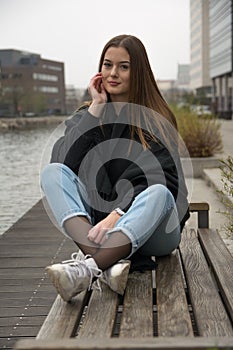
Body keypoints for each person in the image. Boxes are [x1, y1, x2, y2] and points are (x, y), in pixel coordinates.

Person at [40, 34, 190, 302]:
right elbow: (64, 163)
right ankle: (105, 266)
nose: (113, 73)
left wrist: (120, 212)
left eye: (124, 66)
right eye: (108, 65)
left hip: (155, 232)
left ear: (138, 71)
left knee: (159, 193)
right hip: (102, 229)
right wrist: (95, 110)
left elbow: (164, 180)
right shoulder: (88, 114)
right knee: (51, 173)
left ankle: (89, 266)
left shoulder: (155, 118)